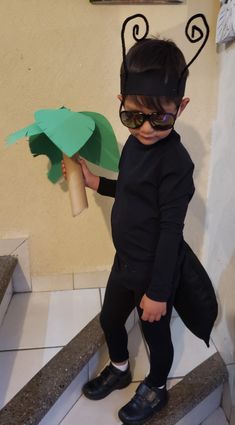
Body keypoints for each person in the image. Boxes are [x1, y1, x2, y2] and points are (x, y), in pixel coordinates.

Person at [62, 31, 195, 425]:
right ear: (121, 103)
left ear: (181, 106)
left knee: (156, 336)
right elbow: (132, 189)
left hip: (155, 270)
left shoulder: (176, 164)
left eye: (161, 117)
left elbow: (171, 232)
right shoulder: (134, 143)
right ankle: (120, 367)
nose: (147, 129)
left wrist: (157, 292)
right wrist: (95, 184)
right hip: (126, 262)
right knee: (109, 319)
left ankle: (156, 386)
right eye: (134, 116)